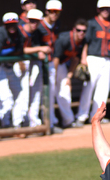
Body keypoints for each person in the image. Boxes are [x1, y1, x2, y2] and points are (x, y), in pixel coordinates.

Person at [75, 0, 110, 125]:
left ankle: (97, 117)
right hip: (92, 58)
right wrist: (83, 59)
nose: (106, 10)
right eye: (103, 8)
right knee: (88, 89)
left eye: (108, 8)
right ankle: (81, 116)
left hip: (107, 60)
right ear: (98, 9)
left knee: (103, 90)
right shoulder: (92, 24)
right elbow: (86, 42)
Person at [0, 13, 27, 129]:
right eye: (9, 24)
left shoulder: (19, 34)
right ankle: (4, 124)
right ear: (5, 25)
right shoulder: (0, 34)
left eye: (13, 24)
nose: (12, 27)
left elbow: (20, 50)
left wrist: (19, 60)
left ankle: (17, 123)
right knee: (6, 98)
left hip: (9, 67)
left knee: (19, 92)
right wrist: (11, 52)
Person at [53, 19, 88, 128]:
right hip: (52, 65)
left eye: (83, 31)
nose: (81, 33)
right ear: (74, 30)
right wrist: (53, 76)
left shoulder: (82, 41)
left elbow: (75, 59)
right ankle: (51, 123)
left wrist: (69, 77)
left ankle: (68, 121)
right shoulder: (64, 39)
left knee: (65, 91)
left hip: (62, 66)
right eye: (78, 30)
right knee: (50, 94)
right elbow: (56, 58)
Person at [36, 0, 62, 133]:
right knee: (35, 95)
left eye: (56, 12)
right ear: (47, 11)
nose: (54, 14)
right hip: (36, 64)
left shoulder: (57, 26)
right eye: (51, 11)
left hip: (50, 63)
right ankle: (35, 124)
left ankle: (49, 123)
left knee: (50, 94)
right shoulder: (39, 25)